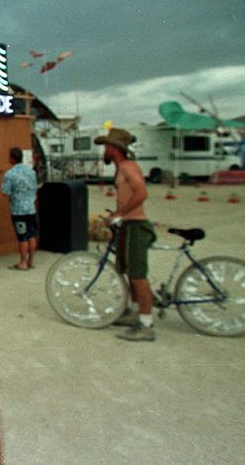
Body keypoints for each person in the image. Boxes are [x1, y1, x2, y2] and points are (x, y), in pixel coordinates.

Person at [95, 127, 156, 342]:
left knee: (138, 276)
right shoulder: (122, 168)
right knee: (130, 272)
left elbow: (141, 193)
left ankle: (146, 324)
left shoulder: (128, 167)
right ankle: (134, 310)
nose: (104, 151)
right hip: (128, 226)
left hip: (136, 226)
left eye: (106, 147)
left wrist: (121, 213)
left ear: (113, 148)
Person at [0, 147, 37, 271]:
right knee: (32, 235)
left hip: (18, 210)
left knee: (23, 237)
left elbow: (5, 192)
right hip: (31, 208)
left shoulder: (11, 174)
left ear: (12, 158)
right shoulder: (31, 172)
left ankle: (23, 262)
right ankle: (31, 260)